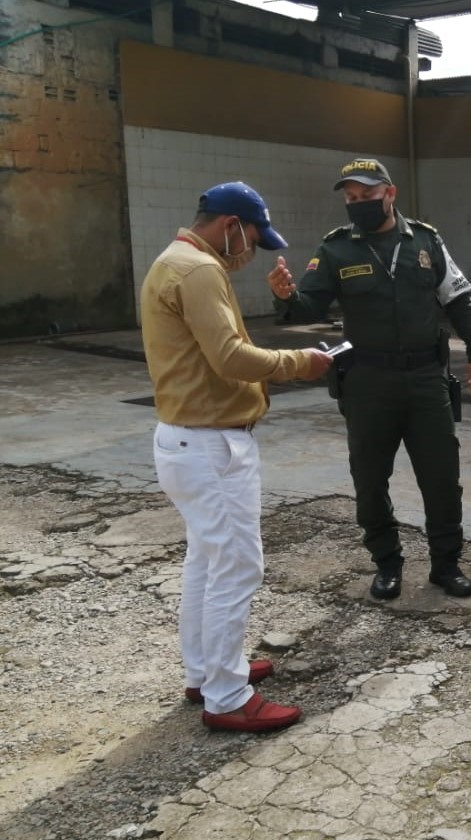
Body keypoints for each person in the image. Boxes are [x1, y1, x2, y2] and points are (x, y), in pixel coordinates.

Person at [140, 182, 332, 732]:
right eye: (251, 236)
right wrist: (301, 361)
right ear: (229, 226)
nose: (251, 249)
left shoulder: (172, 260)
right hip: (211, 444)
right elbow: (229, 357)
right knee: (238, 565)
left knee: (206, 561)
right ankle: (227, 697)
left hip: (186, 438)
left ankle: (206, 672)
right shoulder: (199, 270)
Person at [269, 159, 471, 601]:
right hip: (367, 383)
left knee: (442, 478)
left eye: (366, 195)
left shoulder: (425, 240)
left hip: (426, 379)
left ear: (389, 193)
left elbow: (457, 297)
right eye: (351, 198)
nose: (358, 204)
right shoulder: (336, 249)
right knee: (369, 481)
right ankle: (387, 564)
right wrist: (285, 296)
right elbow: (309, 305)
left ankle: (446, 565)